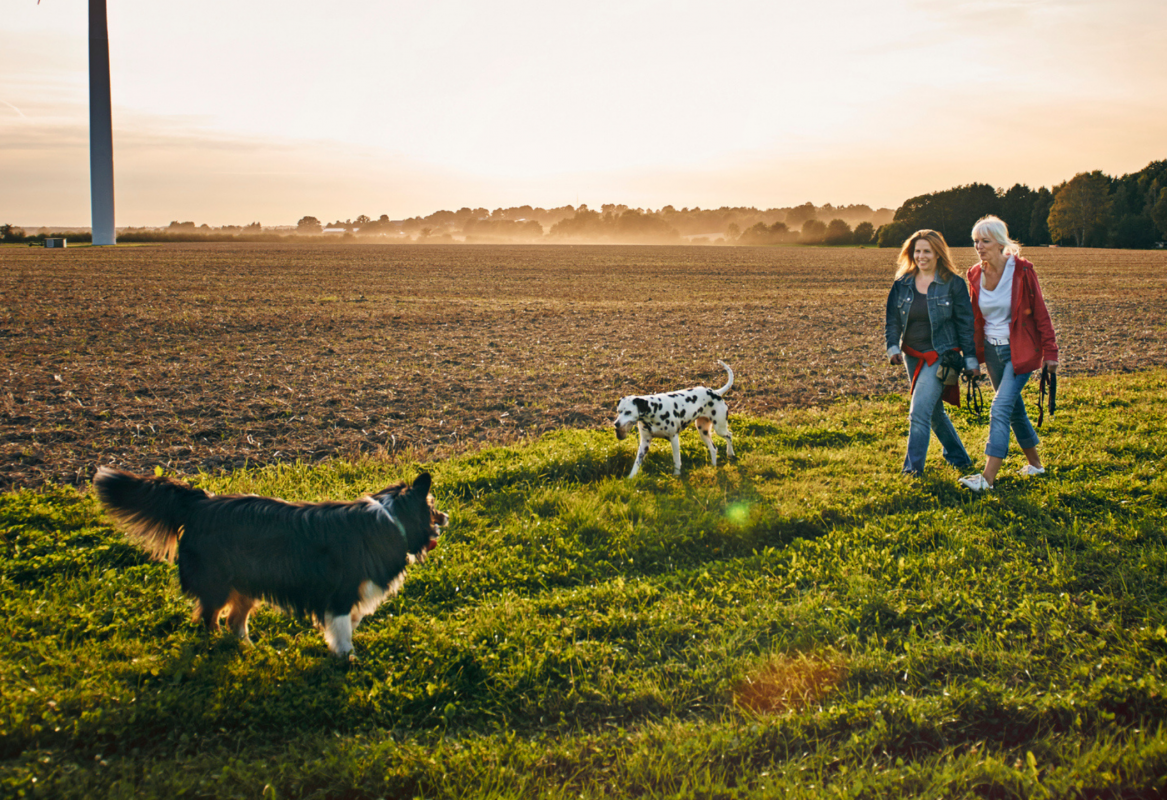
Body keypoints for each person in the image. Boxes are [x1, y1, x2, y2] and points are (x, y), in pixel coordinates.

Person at [958, 215, 1059, 492]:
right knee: (1014, 410)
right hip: (992, 352)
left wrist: (1051, 352)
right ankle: (1036, 466)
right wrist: (969, 355)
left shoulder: (1023, 271)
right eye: (975, 241)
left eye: (985, 241)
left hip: (1020, 352)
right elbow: (974, 318)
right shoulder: (975, 274)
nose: (979, 246)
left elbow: (1040, 313)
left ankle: (987, 479)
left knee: (1000, 407)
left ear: (1000, 242)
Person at [885, 229, 979, 475]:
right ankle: (960, 459)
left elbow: (965, 325)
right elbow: (892, 320)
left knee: (919, 412)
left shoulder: (954, 284)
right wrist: (893, 346)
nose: (921, 256)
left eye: (927, 251)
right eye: (917, 251)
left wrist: (970, 360)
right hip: (911, 356)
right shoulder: (902, 283)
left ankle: (912, 471)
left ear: (938, 253)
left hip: (941, 356)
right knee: (934, 412)